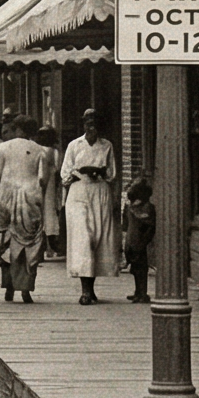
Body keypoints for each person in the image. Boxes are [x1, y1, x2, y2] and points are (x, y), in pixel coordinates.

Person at [0, 116, 56, 304]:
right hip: (31, 200)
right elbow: (43, 179)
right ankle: (26, 289)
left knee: (7, 242)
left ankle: (9, 287)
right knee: (29, 245)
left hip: (7, 199)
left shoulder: (3, 148)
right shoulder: (40, 151)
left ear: (16, 128)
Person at [61, 109, 120, 304]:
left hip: (100, 192)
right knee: (82, 238)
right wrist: (81, 172)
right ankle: (84, 290)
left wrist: (99, 172)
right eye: (87, 122)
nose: (90, 126)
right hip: (79, 192)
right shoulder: (74, 145)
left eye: (94, 123)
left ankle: (92, 288)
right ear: (83, 124)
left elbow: (111, 173)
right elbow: (65, 175)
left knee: (97, 238)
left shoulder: (106, 146)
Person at [121, 178, 157, 303]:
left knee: (141, 269)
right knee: (135, 269)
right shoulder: (130, 208)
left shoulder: (147, 208)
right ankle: (138, 291)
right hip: (132, 241)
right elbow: (125, 226)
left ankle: (143, 293)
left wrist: (144, 242)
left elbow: (150, 226)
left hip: (140, 242)